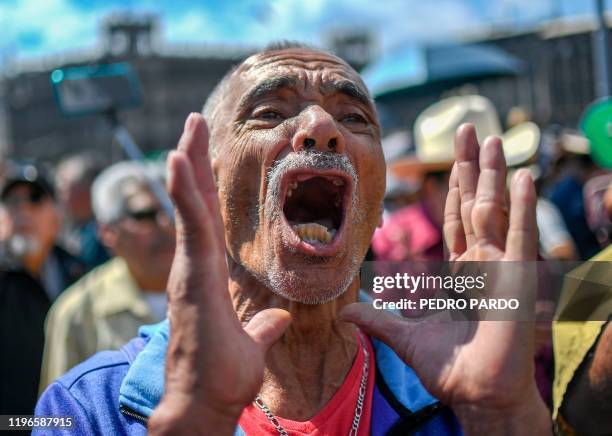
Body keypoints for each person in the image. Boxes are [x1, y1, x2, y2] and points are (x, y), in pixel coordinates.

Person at [36, 43, 552, 435]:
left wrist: (506, 414)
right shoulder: (83, 408)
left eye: (353, 118)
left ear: (376, 204)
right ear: (207, 185)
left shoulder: (451, 386)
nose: (322, 126)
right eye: (270, 112)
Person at [39, 161, 175, 390]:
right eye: (144, 215)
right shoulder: (76, 313)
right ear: (108, 232)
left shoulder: (223, 295)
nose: (165, 225)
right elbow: (58, 418)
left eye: (172, 211)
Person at [0, 163, 84, 415]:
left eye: (35, 199)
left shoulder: (79, 273)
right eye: (12, 201)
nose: (22, 210)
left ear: (57, 215)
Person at [55, 152, 109, 270]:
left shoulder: (103, 234)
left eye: (65, 189)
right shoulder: (70, 228)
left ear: (86, 191)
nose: (61, 196)